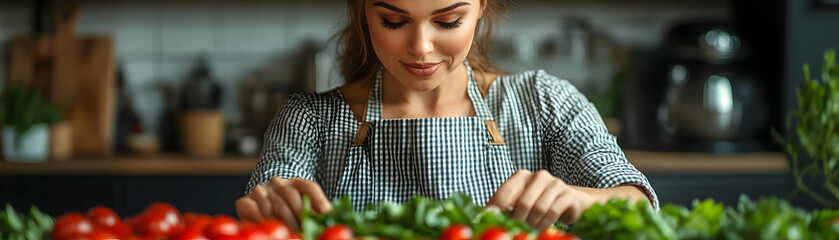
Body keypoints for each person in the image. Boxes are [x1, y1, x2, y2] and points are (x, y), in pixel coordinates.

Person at [236, 0, 658, 232]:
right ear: (363, 12)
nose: (421, 47)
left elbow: (638, 204)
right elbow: (261, 200)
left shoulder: (543, 102)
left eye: (448, 20)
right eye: (394, 20)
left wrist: (580, 199)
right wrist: (270, 203)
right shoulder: (310, 119)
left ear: (480, 7)